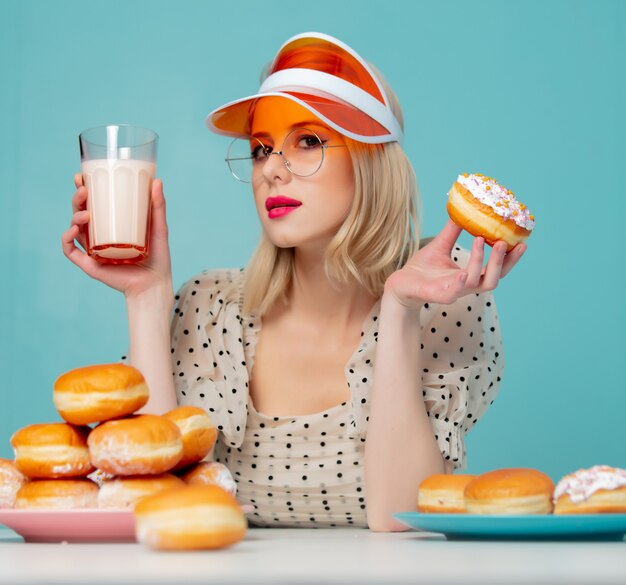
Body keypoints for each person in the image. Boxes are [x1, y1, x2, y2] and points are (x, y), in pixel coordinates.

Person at [62, 32, 526, 531]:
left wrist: (400, 310)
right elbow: (147, 503)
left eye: (307, 141)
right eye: (261, 149)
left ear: (372, 161)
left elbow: (402, 519)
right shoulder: (208, 306)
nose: (272, 172)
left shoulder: (444, 300)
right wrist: (146, 297)